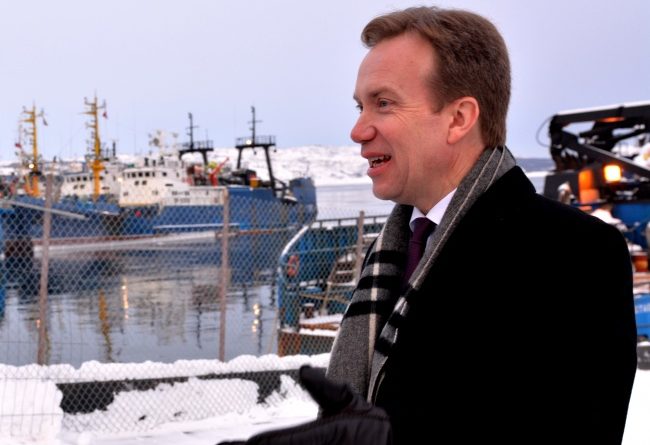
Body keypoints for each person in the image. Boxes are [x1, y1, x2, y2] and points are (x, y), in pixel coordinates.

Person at [222, 6, 637, 445]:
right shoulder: (391, 251)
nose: (358, 130)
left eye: (383, 103)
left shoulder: (573, 253)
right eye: (360, 106)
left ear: (459, 118)